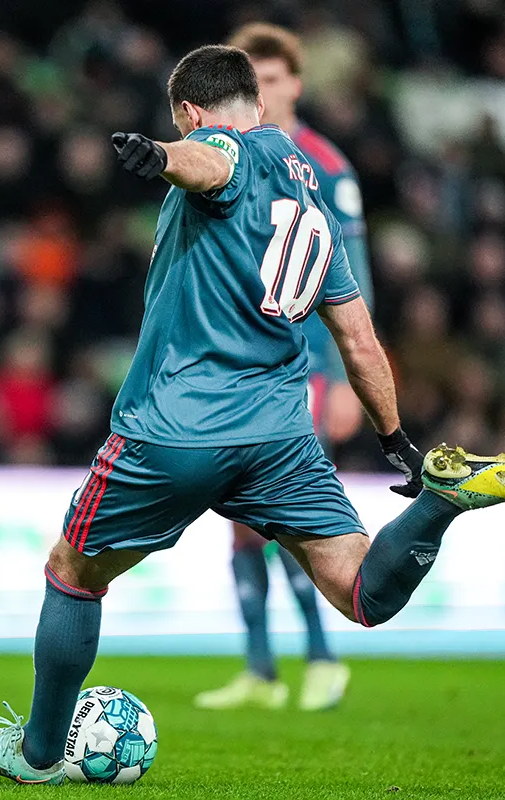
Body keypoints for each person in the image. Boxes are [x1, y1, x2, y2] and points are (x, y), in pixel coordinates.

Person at [0, 45, 505, 785]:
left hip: (175, 429)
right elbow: (359, 341)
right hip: (279, 436)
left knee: (72, 571)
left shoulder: (221, 152)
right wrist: (396, 440)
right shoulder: (312, 198)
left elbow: (210, 164)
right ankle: (439, 503)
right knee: (362, 592)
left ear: (192, 111)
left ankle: (38, 755)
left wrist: (160, 155)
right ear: (260, 103)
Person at [191, 22, 373, 714]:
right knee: (239, 515)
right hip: (241, 365)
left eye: (268, 80)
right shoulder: (225, 157)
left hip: (308, 365)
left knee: (290, 516)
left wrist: (350, 378)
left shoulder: (325, 164)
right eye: (249, 82)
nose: (259, 93)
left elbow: (354, 280)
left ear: (293, 84)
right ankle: (261, 669)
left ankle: (323, 659)